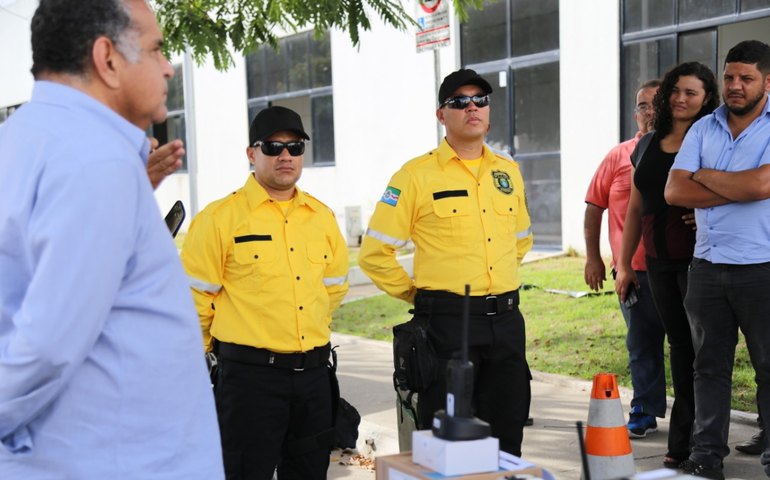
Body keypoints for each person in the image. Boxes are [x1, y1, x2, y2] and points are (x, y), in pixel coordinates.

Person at [0, 0, 223, 478]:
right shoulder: (95, 161)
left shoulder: (24, 140)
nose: (167, 68)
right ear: (108, 59)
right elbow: (47, 345)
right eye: (157, 49)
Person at [358, 68, 534, 456]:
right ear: (442, 115)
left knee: (508, 435)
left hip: (506, 322)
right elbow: (374, 254)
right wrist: (421, 296)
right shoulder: (414, 176)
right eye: (459, 102)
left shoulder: (508, 172)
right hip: (447, 326)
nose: (472, 108)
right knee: (447, 444)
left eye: (480, 101)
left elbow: (521, 241)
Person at [181, 105, 349, 480]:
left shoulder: (321, 217)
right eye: (273, 147)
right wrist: (213, 353)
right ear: (252, 154)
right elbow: (193, 302)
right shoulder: (218, 219)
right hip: (250, 382)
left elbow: (334, 288)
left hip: (313, 379)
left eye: (295, 146)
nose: (285, 156)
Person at [664, 40, 770, 480]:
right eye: (729, 77)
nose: (734, 86)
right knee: (708, 367)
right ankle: (706, 457)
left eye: (746, 78)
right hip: (706, 268)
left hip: (762, 268)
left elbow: (762, 185)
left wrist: (703, 175)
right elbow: (674, 191)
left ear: (767, 81)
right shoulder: (704, 128)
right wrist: (735, 184)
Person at [616, 61, 719, 470]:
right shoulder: (647, 143)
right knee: (679, 349)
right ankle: (683, 441)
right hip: (656, 263)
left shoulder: (713, 137)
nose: (680, 98)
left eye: (691, 92)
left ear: (706, 98)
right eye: (675, 90)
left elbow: (736, 189)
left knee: (706, 352)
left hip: (701, 259)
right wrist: (624, 263)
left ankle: (704, 444)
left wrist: (707, 209)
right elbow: (637, 204)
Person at [584, 79, 667, 439]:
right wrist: (594, 258)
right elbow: (593, 206)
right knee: (641, 342)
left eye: (654, 104)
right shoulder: (618, 156)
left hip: (682, 269)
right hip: (633, 272)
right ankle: (645, 410)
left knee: (694, 346)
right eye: (642, 106)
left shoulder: (687, 150)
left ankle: (694, 415)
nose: (647, 112)